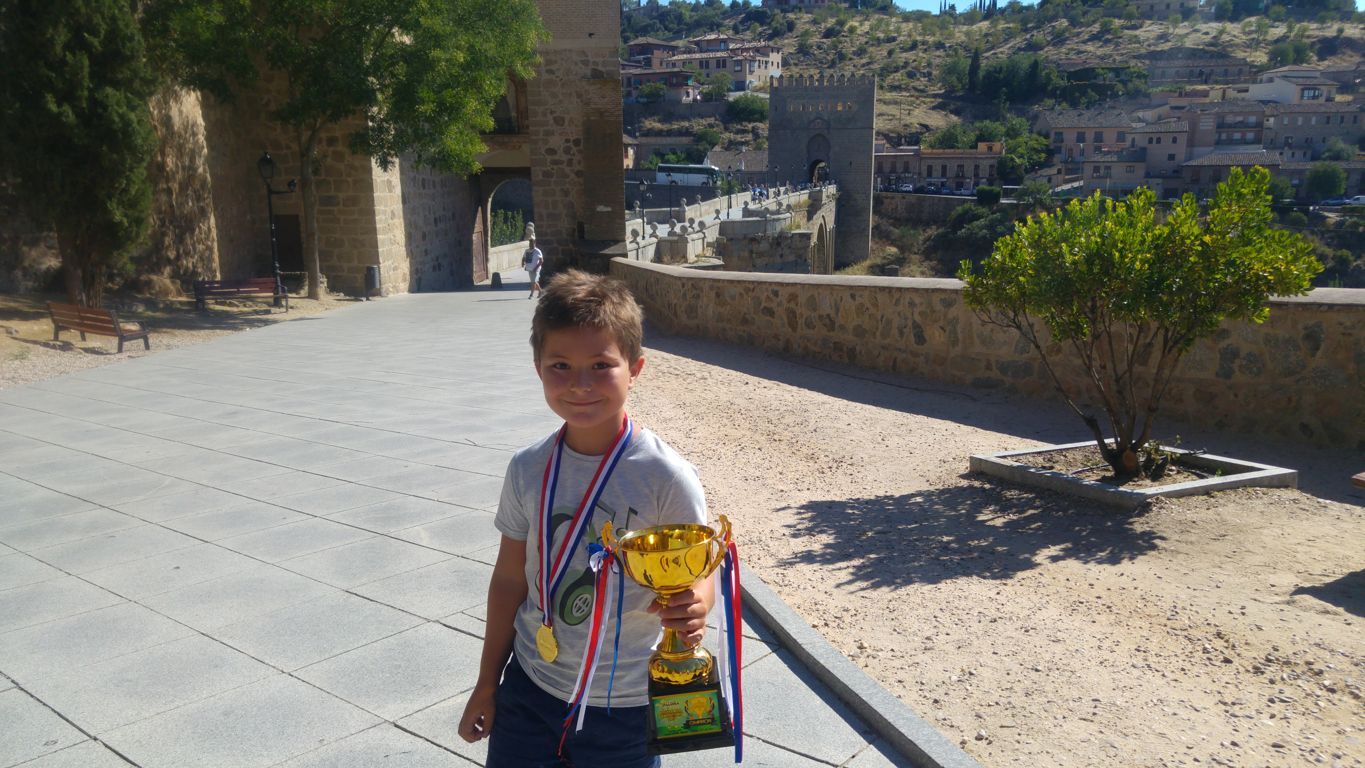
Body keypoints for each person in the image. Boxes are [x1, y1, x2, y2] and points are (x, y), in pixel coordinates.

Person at [459, 270, 714, 767]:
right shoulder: (528, 468)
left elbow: (698, 572)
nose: (579, 384)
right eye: (560, 365)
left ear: (635, 368)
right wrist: (487, 683)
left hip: (624, 708)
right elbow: (510, 579)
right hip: (531, 689)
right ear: (537, 368)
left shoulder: (667, 477)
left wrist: (695, 607)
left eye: (601, 365)